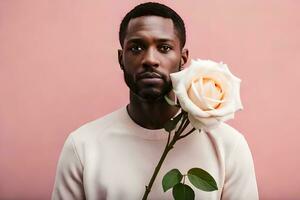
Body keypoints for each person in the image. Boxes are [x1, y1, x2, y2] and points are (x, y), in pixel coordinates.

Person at [52, 2, 259, 200]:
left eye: (164, 47)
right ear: (120, 58)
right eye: (136, 48)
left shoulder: (229, 146)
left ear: (183, 58)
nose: (150, 59)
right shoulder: (82, 146)